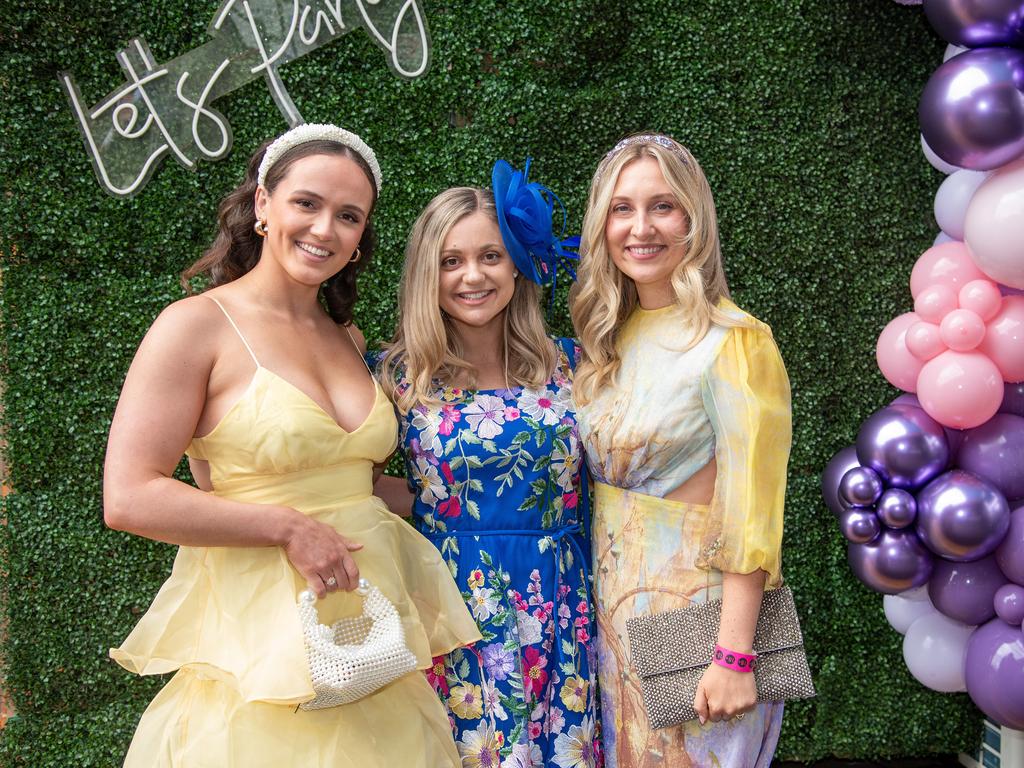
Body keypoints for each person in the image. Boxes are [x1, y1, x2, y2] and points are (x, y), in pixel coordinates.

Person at [103, 123, 480, 767]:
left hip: (366, 632)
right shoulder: (194, 326)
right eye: (307, 203)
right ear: (262, 206)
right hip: (262, 636)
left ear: (362, 237)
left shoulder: (350, 339)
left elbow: (350, 483)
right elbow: (130, 496)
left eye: (348, 215)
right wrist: (286, 528)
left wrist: (471, 500)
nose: (325, 228)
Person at [570, 133, 792, 768]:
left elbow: (753, 510)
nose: (640, 227)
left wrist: (735, 655)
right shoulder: (610, 337)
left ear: (694, 219)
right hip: (614, 610)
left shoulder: (735, 340)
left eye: (662, 206)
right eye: (622, 208)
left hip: (698, 615)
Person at [372, 160, 601, 768]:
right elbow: (358, 485)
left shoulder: (576, 364)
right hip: (449, 600)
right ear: (428, 273)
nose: (472, 275)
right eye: (451, 261)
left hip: (561, 598)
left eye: (491, 257)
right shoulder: (396, 375)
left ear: (519, 265)